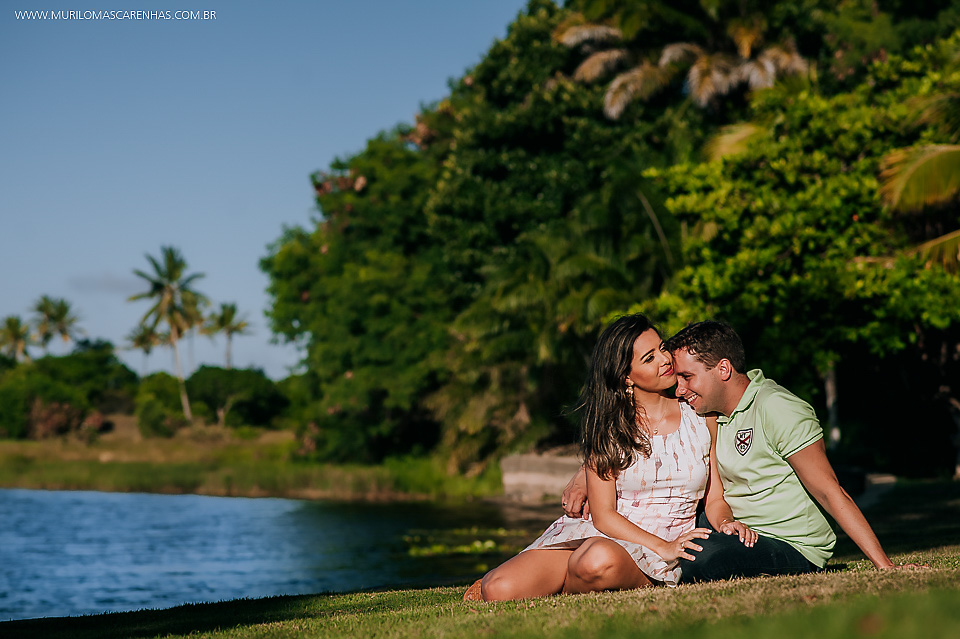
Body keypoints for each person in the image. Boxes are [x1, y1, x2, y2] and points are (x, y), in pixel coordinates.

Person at [563, 320, 914, 582]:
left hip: (787, 542)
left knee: (700, 561)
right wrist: (585, 474)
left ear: (723, 369)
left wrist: (884, 566)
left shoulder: (777, 408)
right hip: (731, 526)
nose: (678, 387)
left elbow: (830, 490)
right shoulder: (710, 414)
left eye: (687, 378)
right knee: (683, 537)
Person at [463, 314, 755, 602]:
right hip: (604, 531)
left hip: (653, 546)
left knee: (596, 561)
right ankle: (557, 576)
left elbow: (714, 496)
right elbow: (603, 515)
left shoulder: (701, 416)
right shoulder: (609, 425)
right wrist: (661, 545)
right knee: (497, 589)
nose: (665, 360)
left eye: (662, 348)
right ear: (626, 376)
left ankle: (567, 581)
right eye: (649, 358)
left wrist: (725, 522)